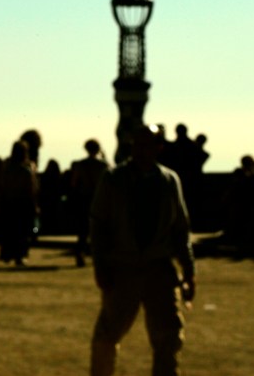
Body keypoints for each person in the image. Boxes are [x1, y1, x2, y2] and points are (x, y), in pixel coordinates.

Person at [89, 124, 196, 376]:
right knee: (107, 334)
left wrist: (189, 270)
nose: (141, 150)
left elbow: (180, 229)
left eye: (148, 144)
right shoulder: (113, 179)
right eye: (138, 144)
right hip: (122, 268)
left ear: (159, 147)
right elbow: (99, 226)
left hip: (159, 269)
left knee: (168, 338)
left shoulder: (169, 180)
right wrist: (101, 266)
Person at [0, 140, 39, 266]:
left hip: (8, 202)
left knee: (9, 229)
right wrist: (35, 205)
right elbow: (32, 189)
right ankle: (21, 255)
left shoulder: (7, 167)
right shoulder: (28, 168)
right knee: (23, 231)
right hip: (23, 202)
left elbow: (1, 187)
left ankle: (7, 253)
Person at [69, 139, 109, 267]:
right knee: (100, 229)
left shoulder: (80, 164)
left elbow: (74, 183)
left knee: (83, 229)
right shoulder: (104, 165)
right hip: (99, 198)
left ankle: (80, 252)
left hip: (84, 198)